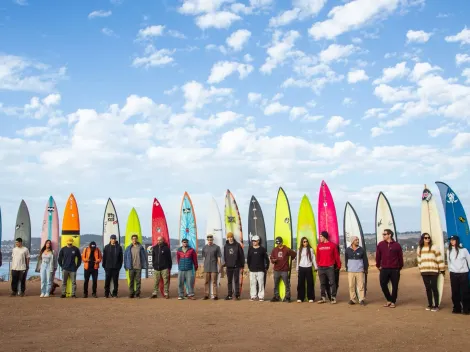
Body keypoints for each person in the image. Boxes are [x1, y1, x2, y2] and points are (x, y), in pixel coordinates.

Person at [376, 229, 403, 308]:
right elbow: (378, 256)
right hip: (384, 268)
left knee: (395, 286)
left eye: (384, 234)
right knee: (383, 284)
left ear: (389, 235)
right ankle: (389, 299)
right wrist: (378, 265)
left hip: (395, 269)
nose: (383, 236)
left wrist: (400, 266)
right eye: (383, 234)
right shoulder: (380, 244)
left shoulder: (397, 245)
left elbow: (400, 257)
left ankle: (393, 302)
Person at [447, 235, 470, 315]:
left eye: (453, 240)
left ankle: (466, 308)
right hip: (453, 274)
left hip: (463, 274)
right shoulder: (449, 251)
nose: (452, 241)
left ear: (457, 240)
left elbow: (469, 260)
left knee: (465, 292)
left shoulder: (464, 250)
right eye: (451, 240)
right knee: (455, 292)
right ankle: (457, 308)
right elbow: (449, 262)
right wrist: (450, 270)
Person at [316, 231, 341, 304]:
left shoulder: (332, 245)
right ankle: (323, 297)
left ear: (325, 237)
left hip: (330, 267)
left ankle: (333, 297)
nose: (320, 238)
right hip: (321, 267)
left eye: (321, 236)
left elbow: (336, 256)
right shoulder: (319, 246)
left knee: (332, 283)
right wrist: (318, 264)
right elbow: (318, 256)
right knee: (322, 283)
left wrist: (339, 265)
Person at [270, 236, 296, 303]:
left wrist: (289, 260)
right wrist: (273, 260)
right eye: (277, 243)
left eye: (279, 243)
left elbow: (294, 254)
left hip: (284, 270)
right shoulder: (274, 250)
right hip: (276, 270)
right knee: (276, 284)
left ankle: (287, 297)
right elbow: (271, 258)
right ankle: (276, 296)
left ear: (281, 242)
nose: (278, 244)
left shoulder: (286, 249)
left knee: (286, 284)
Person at [345, 236, 368, 306]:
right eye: (356, 240)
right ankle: (352, 299)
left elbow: (365, 260)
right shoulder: (347, 250)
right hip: (351, 271)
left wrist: (365, 268)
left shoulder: (361, 250)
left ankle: (361, 299)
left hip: (359, 271)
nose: (357, 241)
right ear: (352, 241)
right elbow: (346, 260)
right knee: (351, 285)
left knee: (360, 286)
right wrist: (347, 267)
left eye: (358, 240)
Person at [124, 234, 147, 298]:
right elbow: (125, 257)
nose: (134, 240)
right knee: (131, 281)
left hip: (138, 267)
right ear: (131, 240)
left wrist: (144, 265)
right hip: (131, 267)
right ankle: (131, 293)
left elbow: (144, 257)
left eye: (135, 239)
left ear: (137, 239)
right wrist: (125, 266)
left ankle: (137, 294)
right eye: (133, 239)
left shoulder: (140, 248)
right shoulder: (128, 248)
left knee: (138, 281)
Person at [223, 232, 245, 300]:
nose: (230, 238)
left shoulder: (237, 245)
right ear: (227, 238)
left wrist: (242, 265)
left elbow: (241, 255)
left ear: (233, 237)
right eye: (229, 237)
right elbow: (225, 256)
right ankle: (229, 295)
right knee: (229, 281)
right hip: (228, 266)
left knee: (236, 281)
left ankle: (237, 295)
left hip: (236, 266)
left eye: (231, 237)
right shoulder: (226, 246)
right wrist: (225, 264)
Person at [247, 235, 268, 301]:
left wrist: (266, 267)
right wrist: (249, 267)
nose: (253, 242)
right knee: (252, 283)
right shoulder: (250, 249)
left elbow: (266, 259)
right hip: (252, 270)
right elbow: (248, 259)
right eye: (252, 241)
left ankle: (261, 296)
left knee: (261, 283)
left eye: (255, 241)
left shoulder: (262, 249)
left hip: (260, 270)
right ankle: (253, 296)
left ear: (258, 241)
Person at [296, 237, 318, 303]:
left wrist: (316, 267)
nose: (305, 243)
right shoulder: (299, 250)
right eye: (304, 241)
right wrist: (297, 268)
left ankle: (310, 297)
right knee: (300, 283)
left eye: (306, 241)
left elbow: (313, 259)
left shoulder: (311, 250)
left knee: (310, 283)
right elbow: (298, 259)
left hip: (308, 267)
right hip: (301, 267)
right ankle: (300, 297)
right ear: (302, 243)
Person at [202, 234, 222, 300]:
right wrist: (203, 267)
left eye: (211, 240)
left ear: (212, 240)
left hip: (214, 268)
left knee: (214, 282)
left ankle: (215, 295)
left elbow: (219, 258)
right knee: (206, 282)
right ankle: (206, 295)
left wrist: (220, 267)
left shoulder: (217, 247)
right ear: (207, 240)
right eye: (209, 240)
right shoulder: (204, 247)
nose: (210, 241)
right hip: (206, 268)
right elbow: (204, 258)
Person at [102, 234, 123, 298]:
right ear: (110, 239)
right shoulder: (106, 247)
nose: (113, 240)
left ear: (115, 239)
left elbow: (121, 258)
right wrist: (104, 266)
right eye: (112, 239)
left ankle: (115, 293)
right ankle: (106, 294)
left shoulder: (119, 247)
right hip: (108, 267)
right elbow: (104, 257)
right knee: (107, 281)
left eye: (114, 239)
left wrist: (119, 267)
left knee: (115, 281)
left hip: (116, 268)